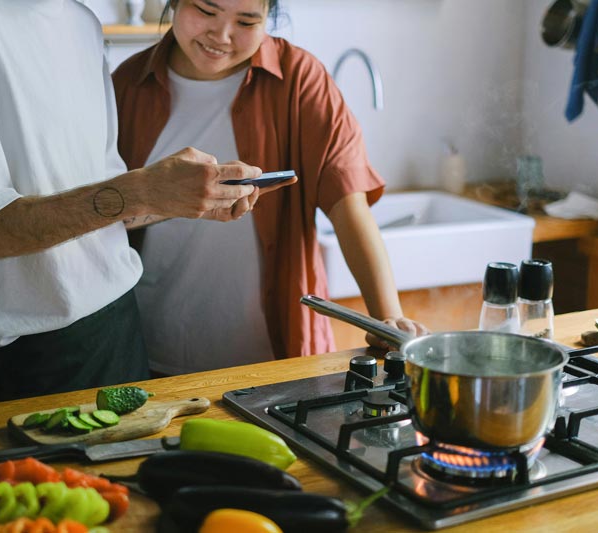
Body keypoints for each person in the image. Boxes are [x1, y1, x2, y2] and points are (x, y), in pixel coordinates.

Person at [0, 0, 276, 408]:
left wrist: (182, 199)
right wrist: (144, 190)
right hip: (21, 363)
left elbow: (101, 206)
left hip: (119, 331)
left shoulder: (83, 23)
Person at [112, 0, 428, 375]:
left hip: (276, 360)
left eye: (247, 21)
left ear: (269, 20)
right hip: (149, 349)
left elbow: (349, 206)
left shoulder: (299, 79)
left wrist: (388, 319)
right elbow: (104, 216)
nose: (222, 35)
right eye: (206, 11)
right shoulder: (126, 85)